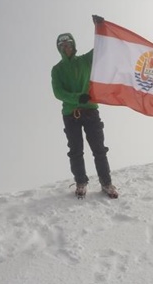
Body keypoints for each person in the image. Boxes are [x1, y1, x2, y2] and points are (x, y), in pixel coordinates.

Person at [51, 16, 118, 199]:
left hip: (90, 111)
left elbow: (102, 49)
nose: (66, 47)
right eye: (62, 45)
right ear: (59, 49)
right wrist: (76, 97)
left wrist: (100, 26)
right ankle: (81, 182)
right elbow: (58, 92)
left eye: (68, 44)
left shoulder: (85, 60)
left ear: (73, 45)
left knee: (99, 149)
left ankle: (106, 183)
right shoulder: (57, 70)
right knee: (75, 150)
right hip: (70, 114)